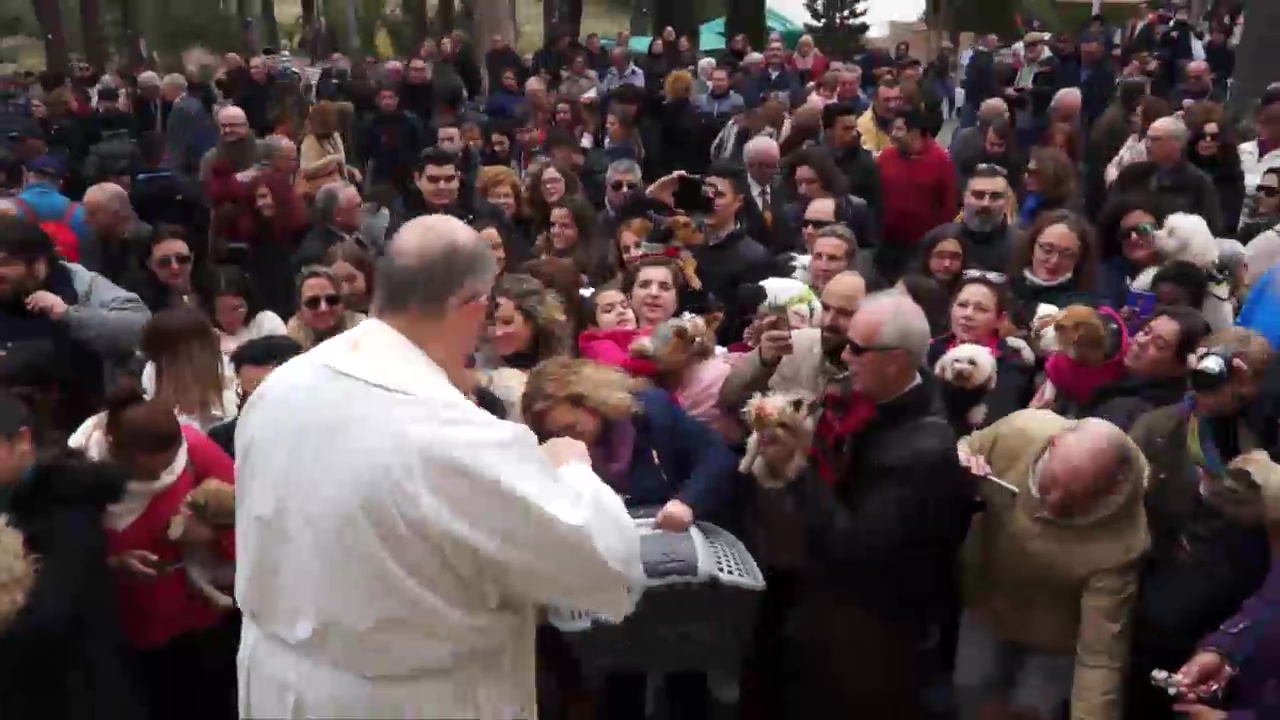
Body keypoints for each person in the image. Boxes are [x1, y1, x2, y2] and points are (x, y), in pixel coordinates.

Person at [235, 215, 643, 718]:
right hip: (410, 701)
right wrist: (571, 466)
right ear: (473, 307)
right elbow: (607, 565)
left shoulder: (280, 386)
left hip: (283, 685)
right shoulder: (454, 437)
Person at [748, 290, 976, 717]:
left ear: (895, 360)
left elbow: (854, 551)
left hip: (874, 643)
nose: (844, 355)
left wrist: (797, 471)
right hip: (825, 615)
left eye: (857, 348)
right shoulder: (871, 398)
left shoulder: (923, 450)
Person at [955, 411, 1150, 720]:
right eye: (1049, 487)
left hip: (1053, 641)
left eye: (1072, 499)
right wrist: (964, 464)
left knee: (1030, 712)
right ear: (1052, 444)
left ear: (1113, 486)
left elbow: (1100, 656)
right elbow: (964, 446)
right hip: (985, 605)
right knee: (971, 694)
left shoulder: (1121, 543)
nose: (1053, 504)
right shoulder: (1019, 431)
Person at [206, 335, 301, 458]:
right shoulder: (223, 440)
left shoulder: (319, 435)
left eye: (263, 394)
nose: (252, 403)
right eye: (246, 394)